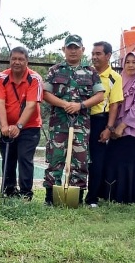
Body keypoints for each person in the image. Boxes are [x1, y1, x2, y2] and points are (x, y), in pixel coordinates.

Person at [43, 34, 104, 205]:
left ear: (82, 50)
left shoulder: (90, 72)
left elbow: (99, 95)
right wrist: (64, 104)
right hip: (59, 124)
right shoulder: (55, 70)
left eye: (76, 47)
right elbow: (45, 93)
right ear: (64, 50)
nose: (73, 51)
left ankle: (75, 198)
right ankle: (50, 198)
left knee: (80, 160)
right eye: (69, 47)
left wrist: (80, 105)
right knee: (55, 159)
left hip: (80, 125)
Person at [0, 47, 43, 199]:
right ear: (10, 60)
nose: (17, 62)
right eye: (14, 58)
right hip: (7, 126)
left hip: (29, 127)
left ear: (27, 61)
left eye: (21, 59)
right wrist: (4, 126)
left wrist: (19, 126)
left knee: (24, 158)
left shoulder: (35, 78)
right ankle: (9, 191)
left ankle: (26, 193)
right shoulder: (1, 77)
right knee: (8, 158)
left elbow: (31, 105)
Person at [107, 52, 135, 204]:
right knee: (115, 161)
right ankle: (115, 197)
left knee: (129, 164)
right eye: (128, 62)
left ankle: (130, 199)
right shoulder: (120, 81)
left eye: (134, 62)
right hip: (117, 129)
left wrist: (122, 127)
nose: (131, 65)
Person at [84, 41, 123, 207]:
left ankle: (92, 198)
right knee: (79, 159)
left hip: (100, 120)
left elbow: (115, 104)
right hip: (82, 119)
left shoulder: (114, 77)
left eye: (98, 54)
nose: (94, 57)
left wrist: (109, 127)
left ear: (108, 56)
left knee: (97, 160)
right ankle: (74, 193)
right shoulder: (85, 73)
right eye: (93, 54)